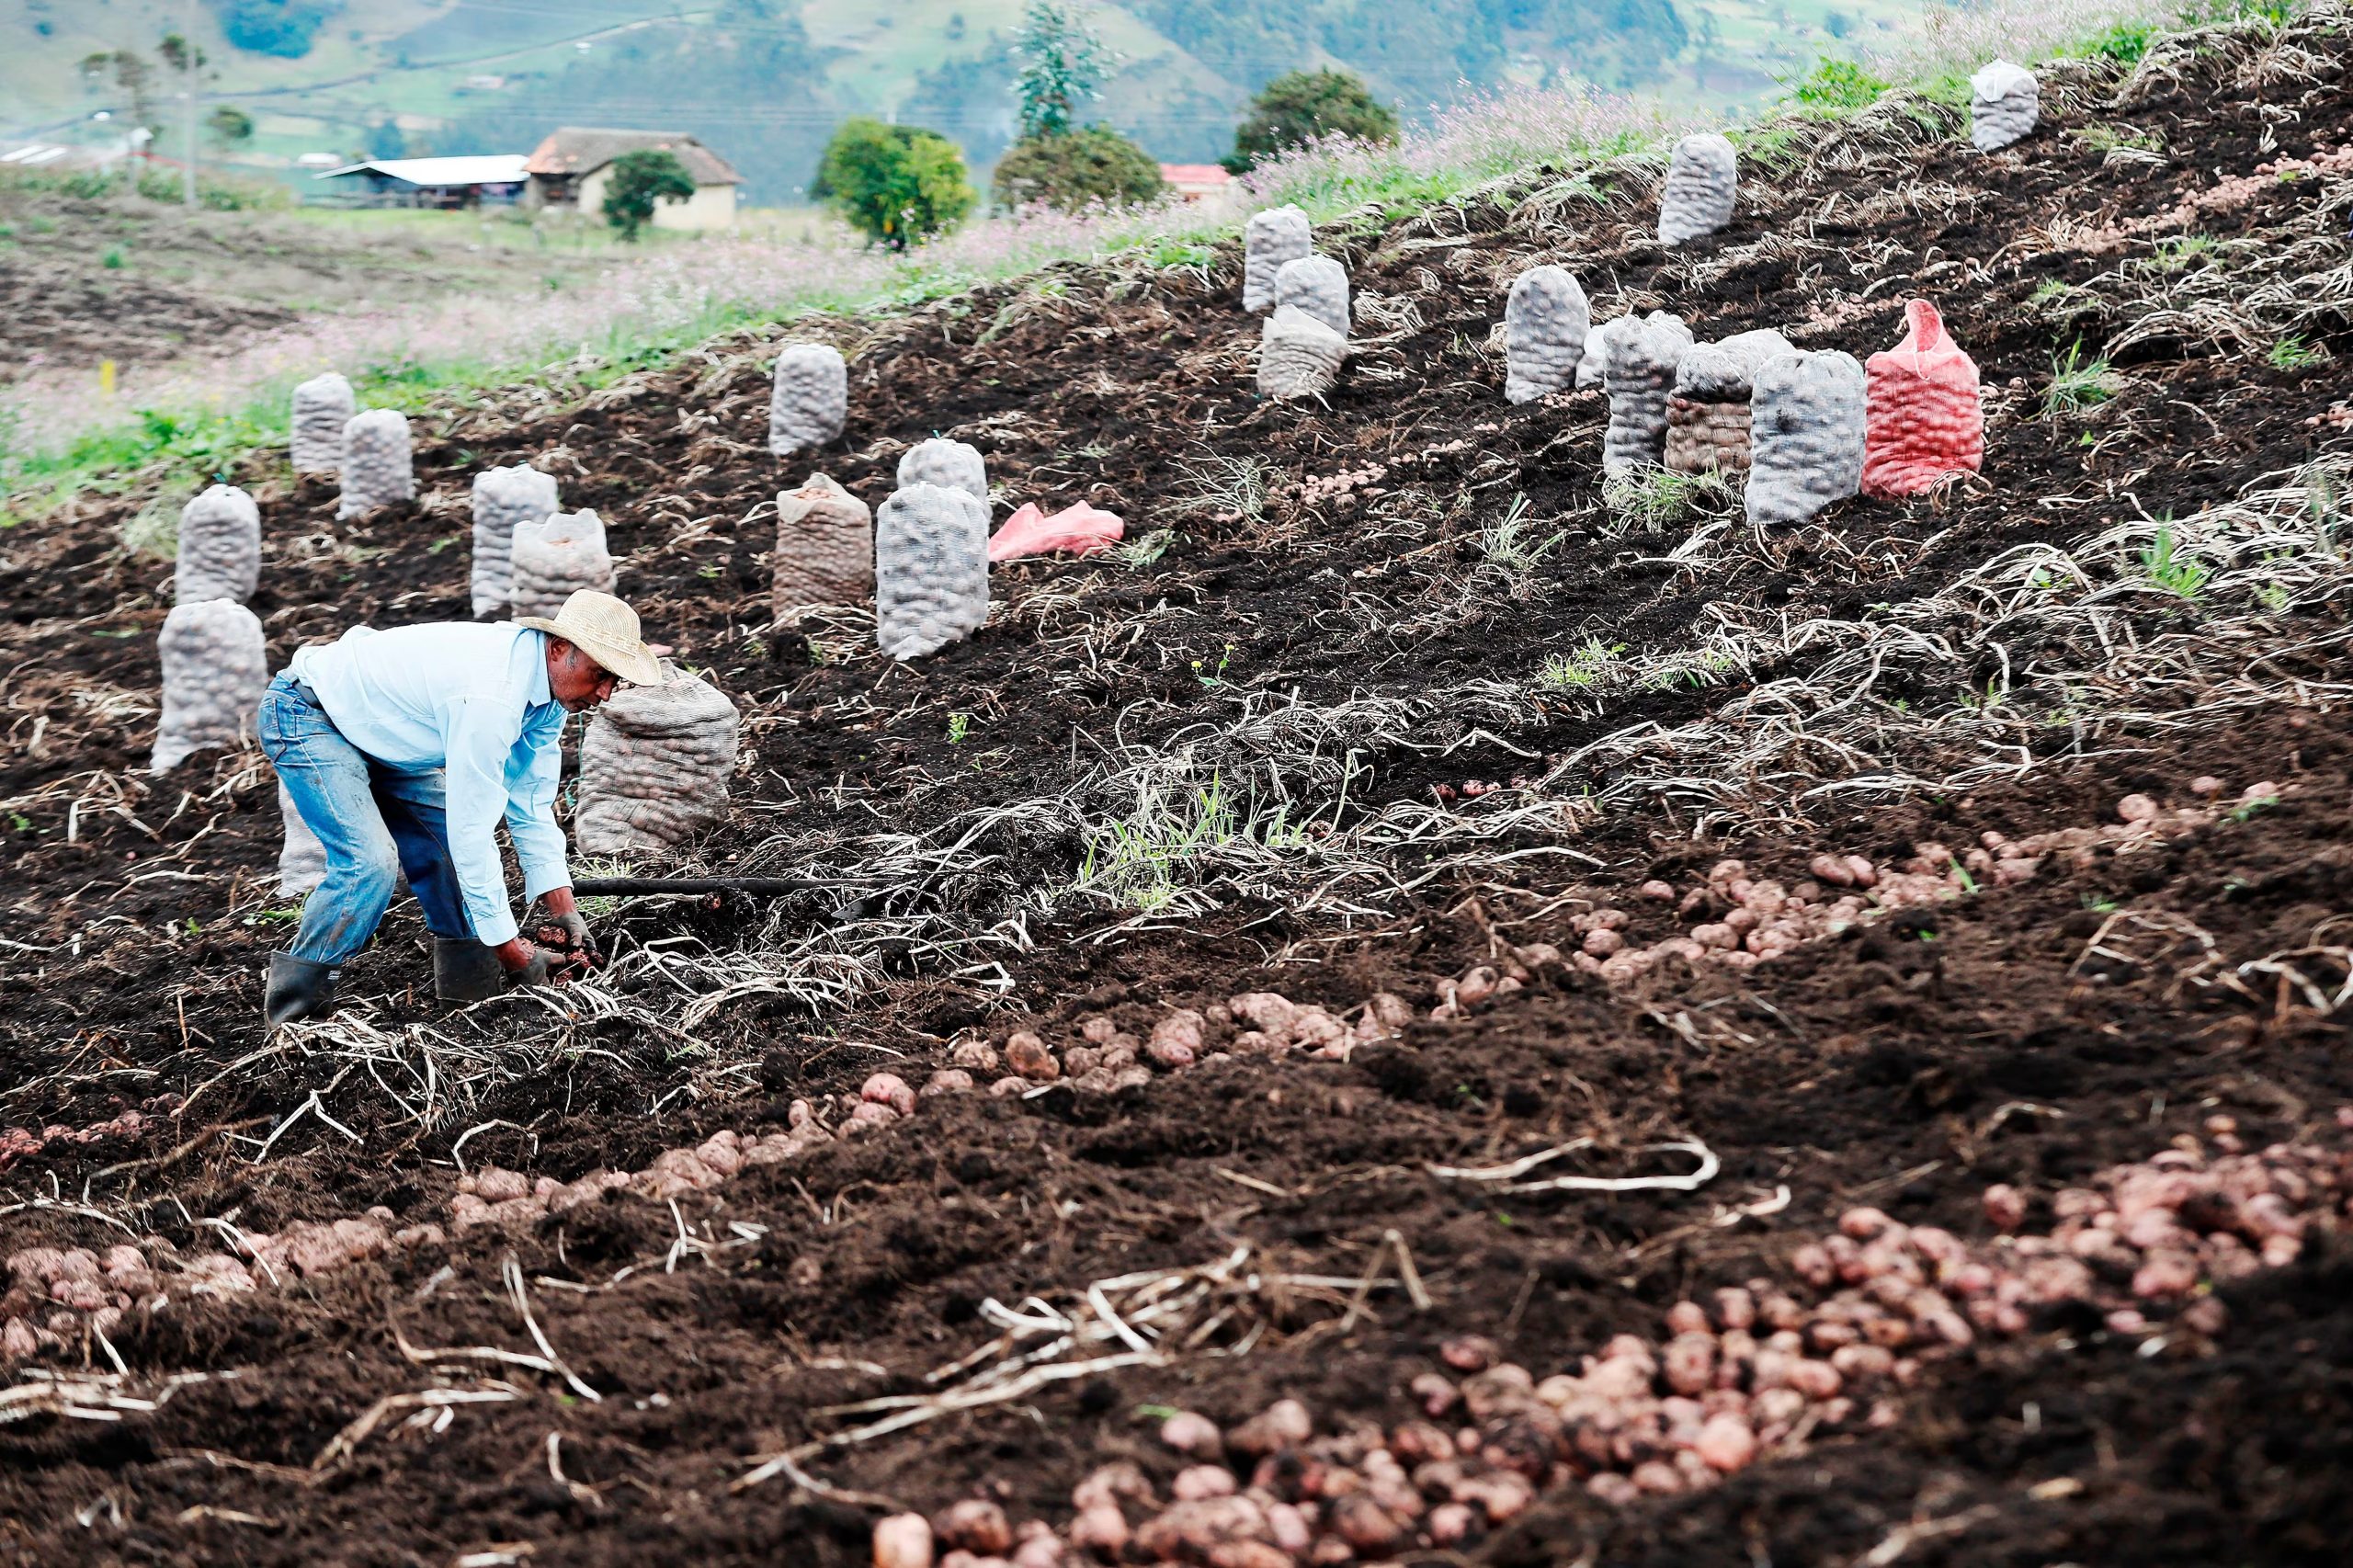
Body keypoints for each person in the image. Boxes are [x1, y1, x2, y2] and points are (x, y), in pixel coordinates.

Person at [255, 589, 665, 1025]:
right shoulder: (491, 695)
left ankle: (468, 1006)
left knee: (446, 852)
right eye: (599, 674)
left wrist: (564, 911)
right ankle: (292, 1017)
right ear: (560, 648)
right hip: (310, 715)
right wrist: (512, 950)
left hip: (389, 735)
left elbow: (530, 806)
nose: (604, 693)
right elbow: (474, 828)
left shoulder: (549, 699)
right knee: (369, 864)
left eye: (614, 682)